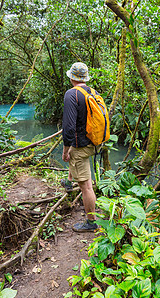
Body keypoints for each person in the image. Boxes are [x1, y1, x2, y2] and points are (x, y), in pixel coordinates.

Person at [61, 62, 99, 232]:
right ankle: (69, 183)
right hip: (93, 142)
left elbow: (69, 127)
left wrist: (65, 149)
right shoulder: (92, 92)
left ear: (71, 77)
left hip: (81, 145)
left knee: (86, 186)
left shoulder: (71, 94)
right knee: (75, 158)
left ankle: (91, 222)